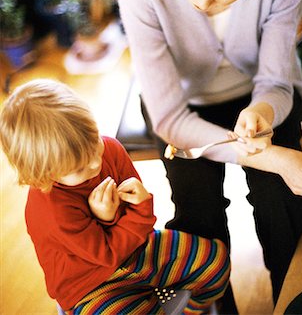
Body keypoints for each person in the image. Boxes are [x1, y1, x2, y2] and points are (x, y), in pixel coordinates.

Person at [118, 0, 302, 313]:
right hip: (183, 109)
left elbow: (277, 80)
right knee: (198, 217)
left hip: (259, 96)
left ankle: (292, 303)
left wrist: (263, 110)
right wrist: (269, 157)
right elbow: (169, 117)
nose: (202, 0)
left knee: (283, 206)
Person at [0, 78, 230, 314]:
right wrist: (117, 216)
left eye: (94, 142)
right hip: (90, 286)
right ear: (44, 176)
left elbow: (137, 227)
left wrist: (133, 207)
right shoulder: (50, 210)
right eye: (79, 168)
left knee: (215, 260)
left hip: (137, 250)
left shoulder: (110, 149)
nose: (96, 163)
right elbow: (106, 254)